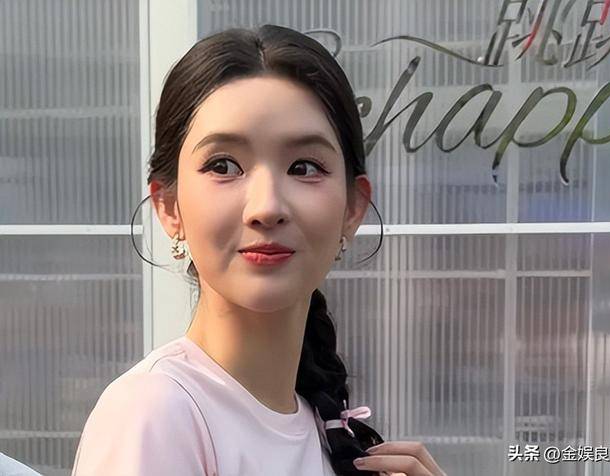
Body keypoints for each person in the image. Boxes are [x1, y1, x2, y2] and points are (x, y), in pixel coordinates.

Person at [71, 24, 446, 476]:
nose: (267, 207)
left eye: (303, 167)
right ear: (168, 205)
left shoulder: (324, 427)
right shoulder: (155, 412)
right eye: (223, 165)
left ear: (352, 208)